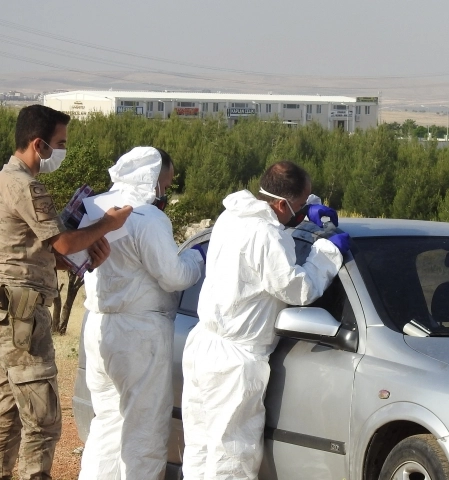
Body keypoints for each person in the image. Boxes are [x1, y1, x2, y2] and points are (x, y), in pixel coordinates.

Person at [181, 160, 349, 479]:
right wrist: (326, 252)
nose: (301, 212)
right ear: (282, 203)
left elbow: (276, 219)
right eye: (300, 204)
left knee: (202, 448)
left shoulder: (234, 216)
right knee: (232, 455)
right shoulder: (267, 234)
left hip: (205, 347)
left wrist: (309, 206)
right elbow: (297, 288)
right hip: (235, 361)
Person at [0, 105, 132, 480]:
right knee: (42, 421)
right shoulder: (25, 184)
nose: (62, 151)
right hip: (24, 319)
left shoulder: (4, 180)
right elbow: (61, 243)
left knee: (8, 415)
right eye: (59, 144)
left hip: (10, 316)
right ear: (38, 144)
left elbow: (27, 251)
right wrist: (108, 222)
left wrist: (82, 257)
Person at [78, 147, 205, 480]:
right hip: (139, 333)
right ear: (154, 179)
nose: (168, 190)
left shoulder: (97, 208)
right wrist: (195, 259)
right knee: (144, 430)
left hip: (98, 326)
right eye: (169, 181)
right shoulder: (148, 218)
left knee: (106, 424)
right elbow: (173, 276)